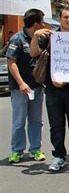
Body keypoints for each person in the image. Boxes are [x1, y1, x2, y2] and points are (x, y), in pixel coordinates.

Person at [30, 6, 69, 172]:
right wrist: (35, 36)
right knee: (56, 125)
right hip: (52, 89)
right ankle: (58, 157)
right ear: (59, 19)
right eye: (65, 17)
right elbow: (33, 53)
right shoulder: (50, 36)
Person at [6, 9, 47, 163]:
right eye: (42, 22)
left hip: (37, 86)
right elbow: (11, 62)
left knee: (36, 120)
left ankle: (35, 149)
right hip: (20, 89)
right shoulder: (17, 38)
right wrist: (21, 83)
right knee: (19, 121)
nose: (43, 25)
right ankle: (16, 151)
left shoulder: (40, 39)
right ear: (36, 24)